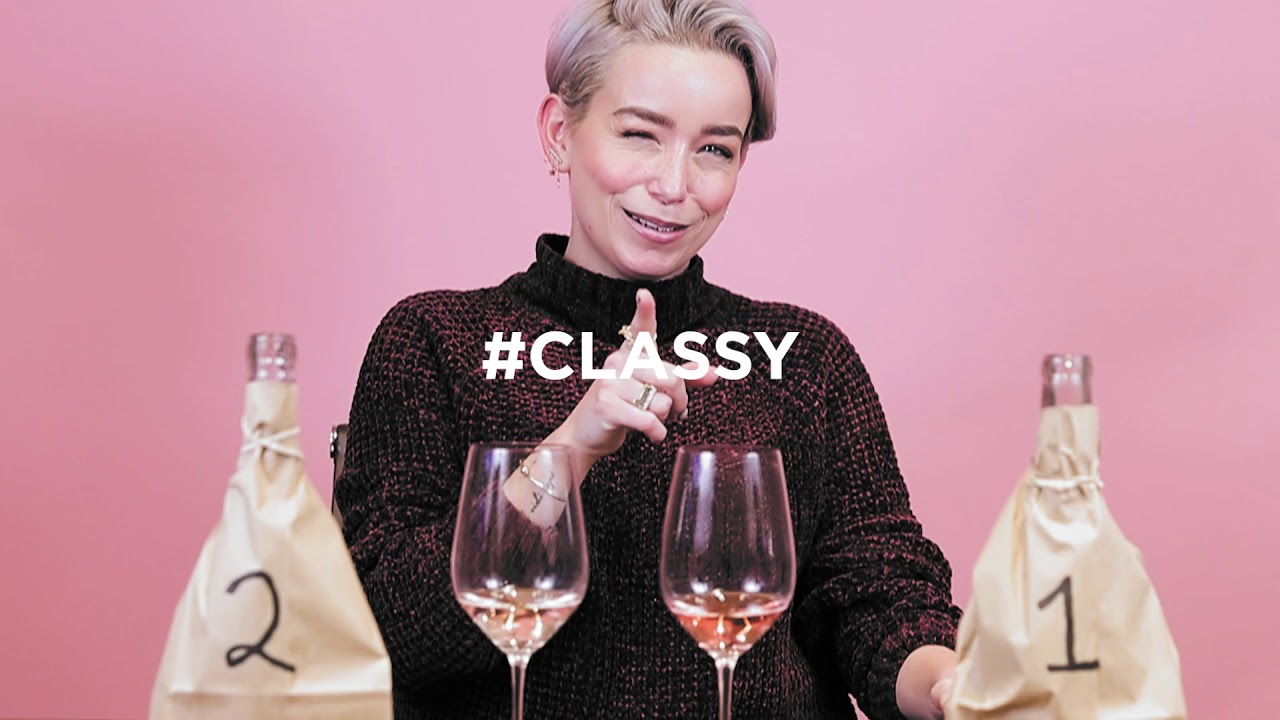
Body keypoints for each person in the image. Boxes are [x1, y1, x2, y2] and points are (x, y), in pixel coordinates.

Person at [336, 0, 961, 717]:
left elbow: (883, 599)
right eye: (640, 135)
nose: (673, 186)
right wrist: (569, 451)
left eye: (714, 149)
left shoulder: (806, 356)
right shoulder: (436, 339)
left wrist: (950, 684)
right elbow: (386, 631)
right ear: (559, 133)